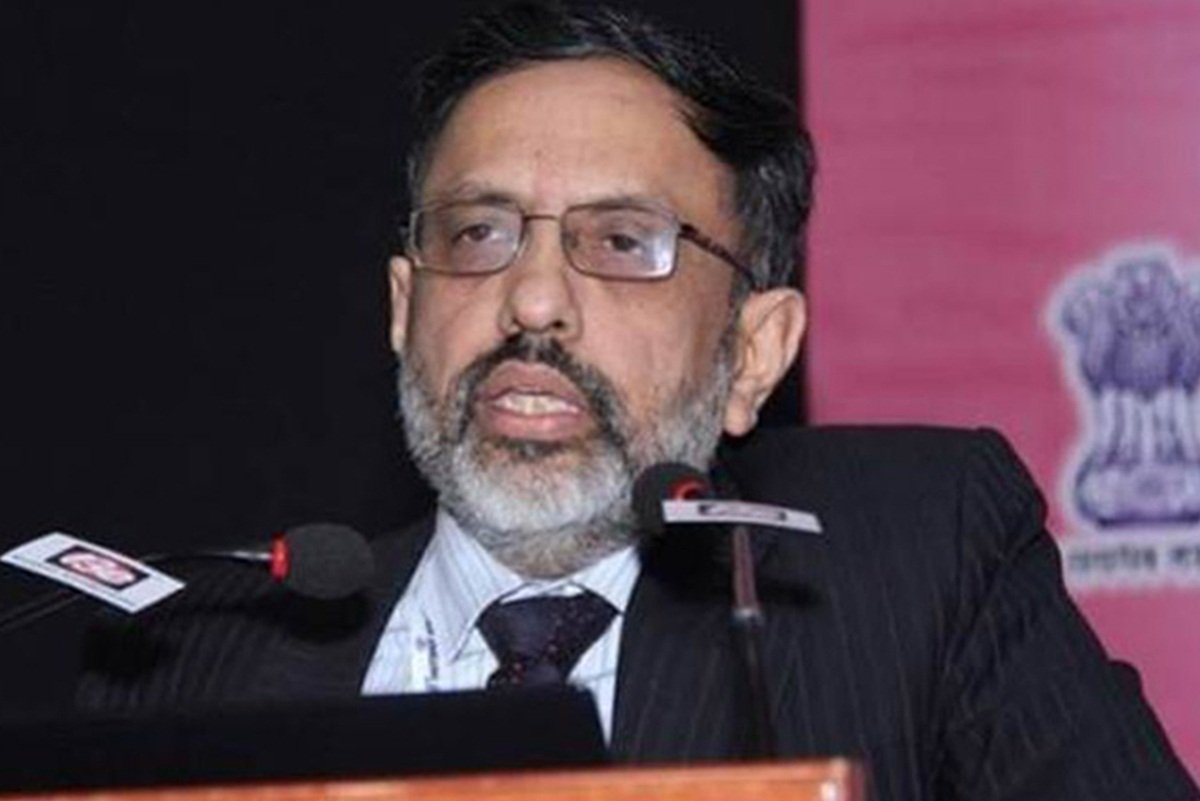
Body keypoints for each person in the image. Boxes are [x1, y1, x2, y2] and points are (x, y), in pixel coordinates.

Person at [78, 3, 1199, 798]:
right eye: (479, 232)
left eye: (622, 242)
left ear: (755, 350)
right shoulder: (191, 661)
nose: (532, 301)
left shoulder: (918, 558)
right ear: (404, 308)